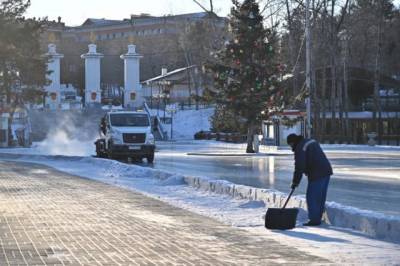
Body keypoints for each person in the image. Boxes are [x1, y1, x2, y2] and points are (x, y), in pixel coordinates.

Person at [287, 133, 333, 226]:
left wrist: (295, 182)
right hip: (326, 170)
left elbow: (299, 166)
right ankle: (317, 217)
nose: (291, 147)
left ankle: (314, 220)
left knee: (311, 197)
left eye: (290, 145)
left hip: (317, 173)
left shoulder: (300, 147)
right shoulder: (309, 141)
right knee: (320, 197)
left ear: (293, 142)